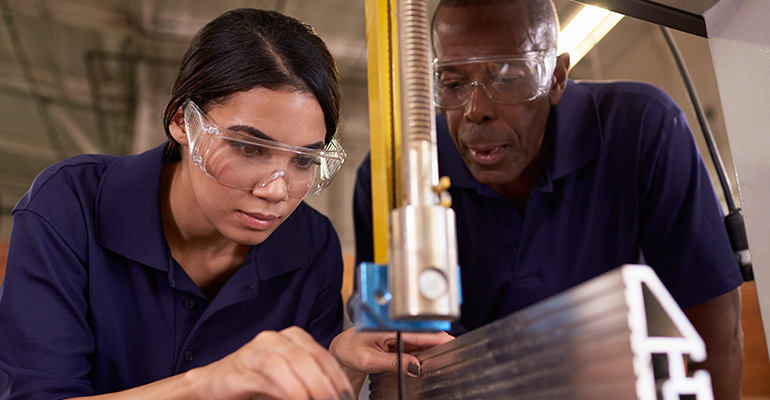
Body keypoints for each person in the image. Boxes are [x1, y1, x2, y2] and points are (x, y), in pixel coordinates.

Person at [0, 8, 451, 400]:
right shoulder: (70, 206)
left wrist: (342, 364)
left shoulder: (312, 248)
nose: (276, 190)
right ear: (182, 120)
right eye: (250, 148)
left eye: (303, 161)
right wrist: (211, 384)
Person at [353, 0, 744, 398]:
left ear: (556, 77)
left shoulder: (643, 129)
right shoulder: (395, 177)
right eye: (453, 84)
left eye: (506, 77)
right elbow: (392, 366)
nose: (476, 110)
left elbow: (715, 329)